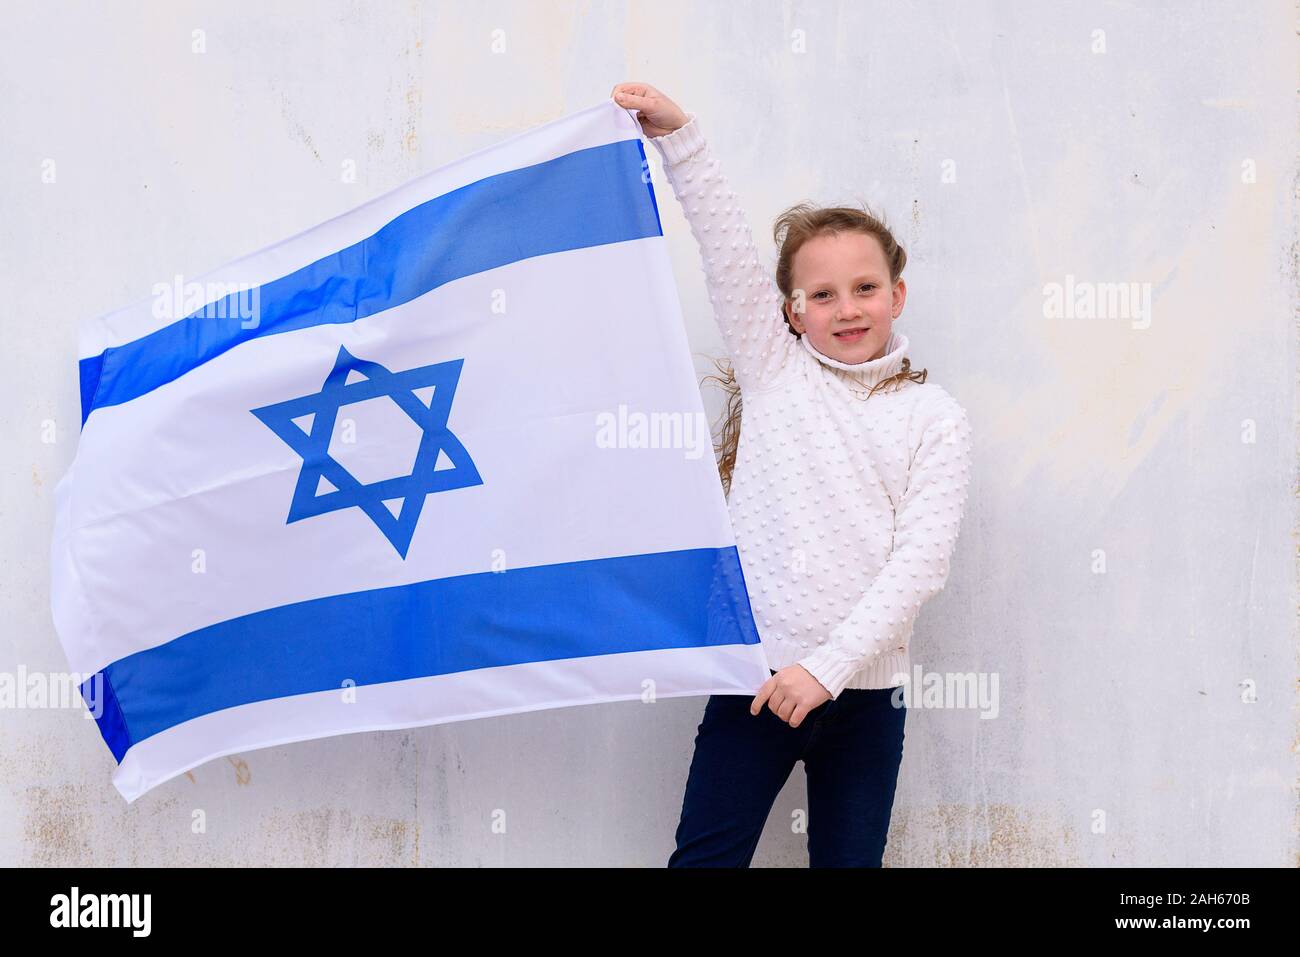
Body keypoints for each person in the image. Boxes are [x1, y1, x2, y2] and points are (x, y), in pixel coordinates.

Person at [610, 82, 974, 867]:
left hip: (864, 697)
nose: (847, 308)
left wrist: (828, 669)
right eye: (823, 293)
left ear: (896, 294)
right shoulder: (776, 373)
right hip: (755, 682)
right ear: (790, 311)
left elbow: (921, 563)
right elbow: (724, 245)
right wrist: (682, 137)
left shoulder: (934, 416)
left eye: (865, 288)